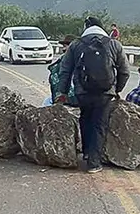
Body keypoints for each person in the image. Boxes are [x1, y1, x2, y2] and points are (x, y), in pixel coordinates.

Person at [55, 17, 130, 174]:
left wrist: (62, 92)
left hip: (82, 92)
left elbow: (65, 71)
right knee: (99, 125)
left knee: (85, 118)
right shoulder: (114, 44)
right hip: (105, 93)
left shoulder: (76, 45)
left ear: (86, 27)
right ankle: (94, 163)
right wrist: (117, 89)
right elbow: (125, 71)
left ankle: (87, 152)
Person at [48, 36, 78, 106]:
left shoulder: (66, 62)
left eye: (66, 46)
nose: (64, 48)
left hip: (70, 100)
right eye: (63, 46)